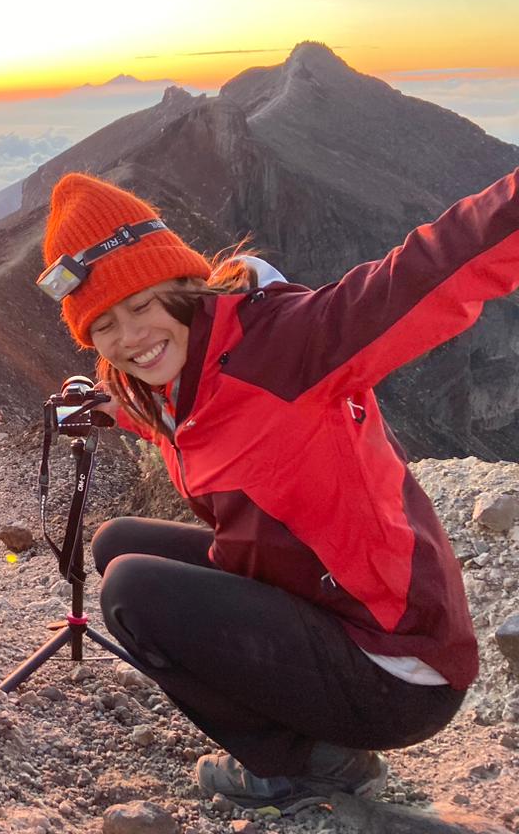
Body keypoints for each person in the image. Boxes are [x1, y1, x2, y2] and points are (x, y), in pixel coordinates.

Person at [36, 168, 519, 813]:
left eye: (142, 305)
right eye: (103, 326)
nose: (129, 339)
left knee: (131, 591)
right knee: (116, 542)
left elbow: (428, 268)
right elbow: (187, 427)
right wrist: (96, 408)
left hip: (398, 665)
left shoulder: (291, 344)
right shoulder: (174, 387)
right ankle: (309, 737)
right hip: (325, 608)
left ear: (184, 285)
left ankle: (301, 766)